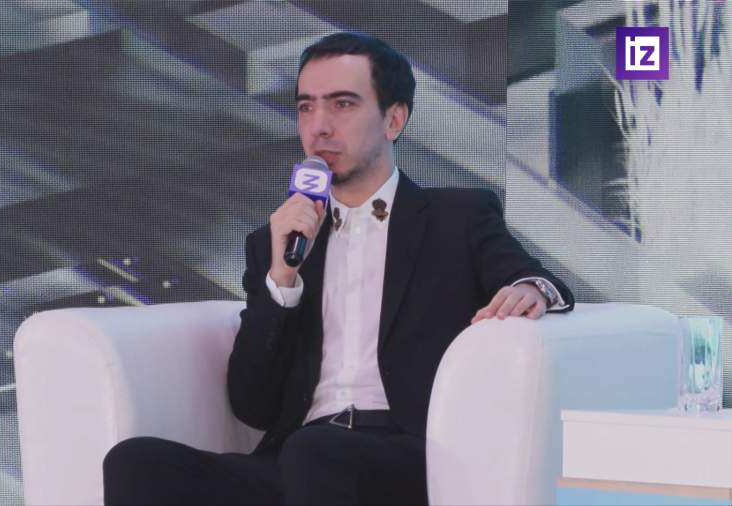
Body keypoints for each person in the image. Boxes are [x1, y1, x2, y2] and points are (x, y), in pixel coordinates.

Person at [103, 32, 574, 506]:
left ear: (394, 119)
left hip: (415, 456)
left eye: (342, 105)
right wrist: (282, 280)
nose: (319, 127)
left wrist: (531, 290)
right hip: (299, 457)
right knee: (136, 461)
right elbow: (253, 406)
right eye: (306, 107)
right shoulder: (275, 242)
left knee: (316, 452)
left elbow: (537, 280)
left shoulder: (457, 216)